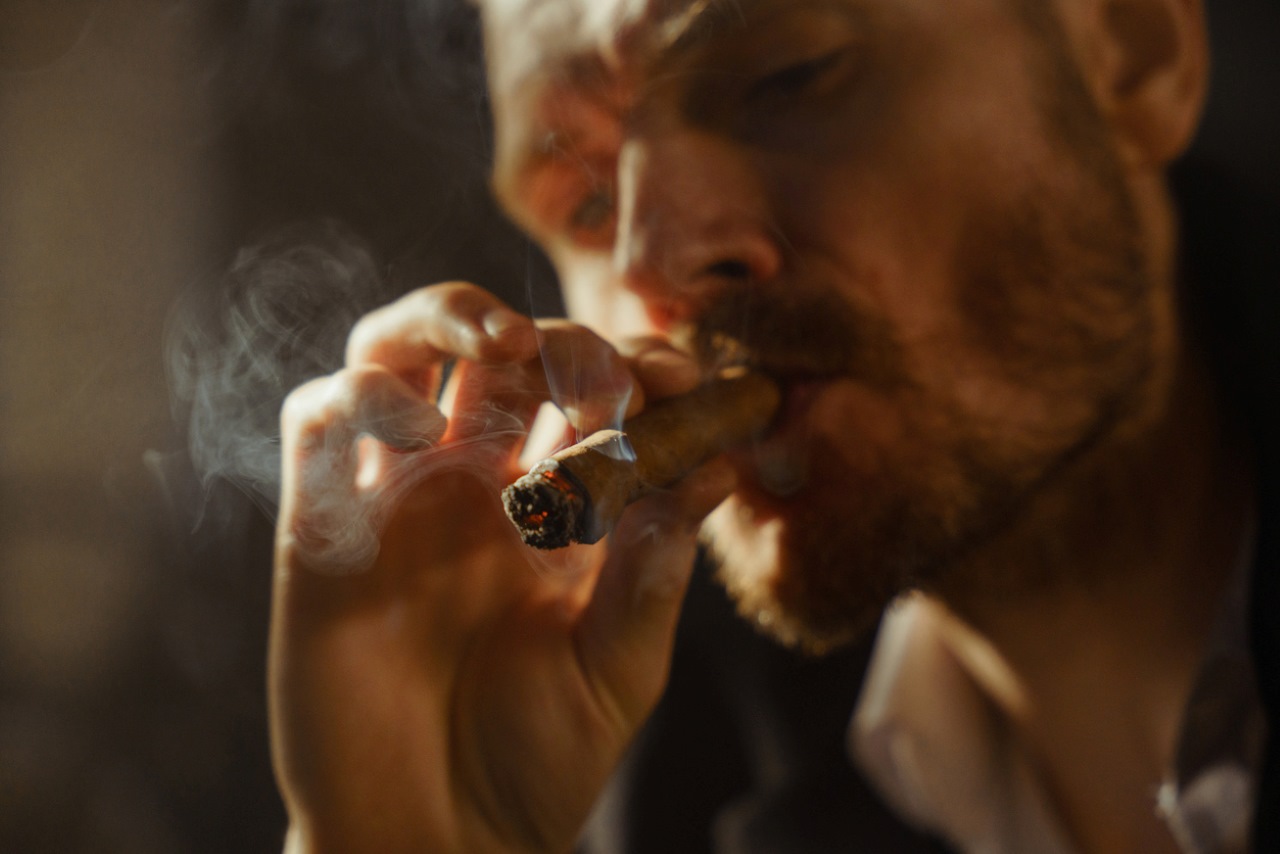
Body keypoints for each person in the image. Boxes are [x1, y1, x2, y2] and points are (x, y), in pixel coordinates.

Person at [266, 0, 1278, 851]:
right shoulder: (667, 798)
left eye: (786, 78)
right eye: (582, 201)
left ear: (1133, 49)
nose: (649, 265)